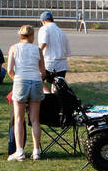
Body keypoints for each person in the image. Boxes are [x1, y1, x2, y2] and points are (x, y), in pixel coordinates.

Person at [7, 23, 45, 161]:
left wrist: (16, 79)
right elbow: (43, 71)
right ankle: (36, 151)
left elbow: (10, 70)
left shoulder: (13, 48)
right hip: (35, 81)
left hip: (20, 80)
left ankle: (20, 151)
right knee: (35, 119)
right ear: (32, 36)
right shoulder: (37, 50)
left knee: (19, 118)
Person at [38, 11, 70, 80]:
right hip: (62, 64)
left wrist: (36, 54)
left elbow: (43, 43)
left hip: (49, 63)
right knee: (56, 85)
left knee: (38, 80)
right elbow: (67, 51)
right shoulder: (61, 31)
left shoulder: (44, 29)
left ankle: (46, 91)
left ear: (43, 21)